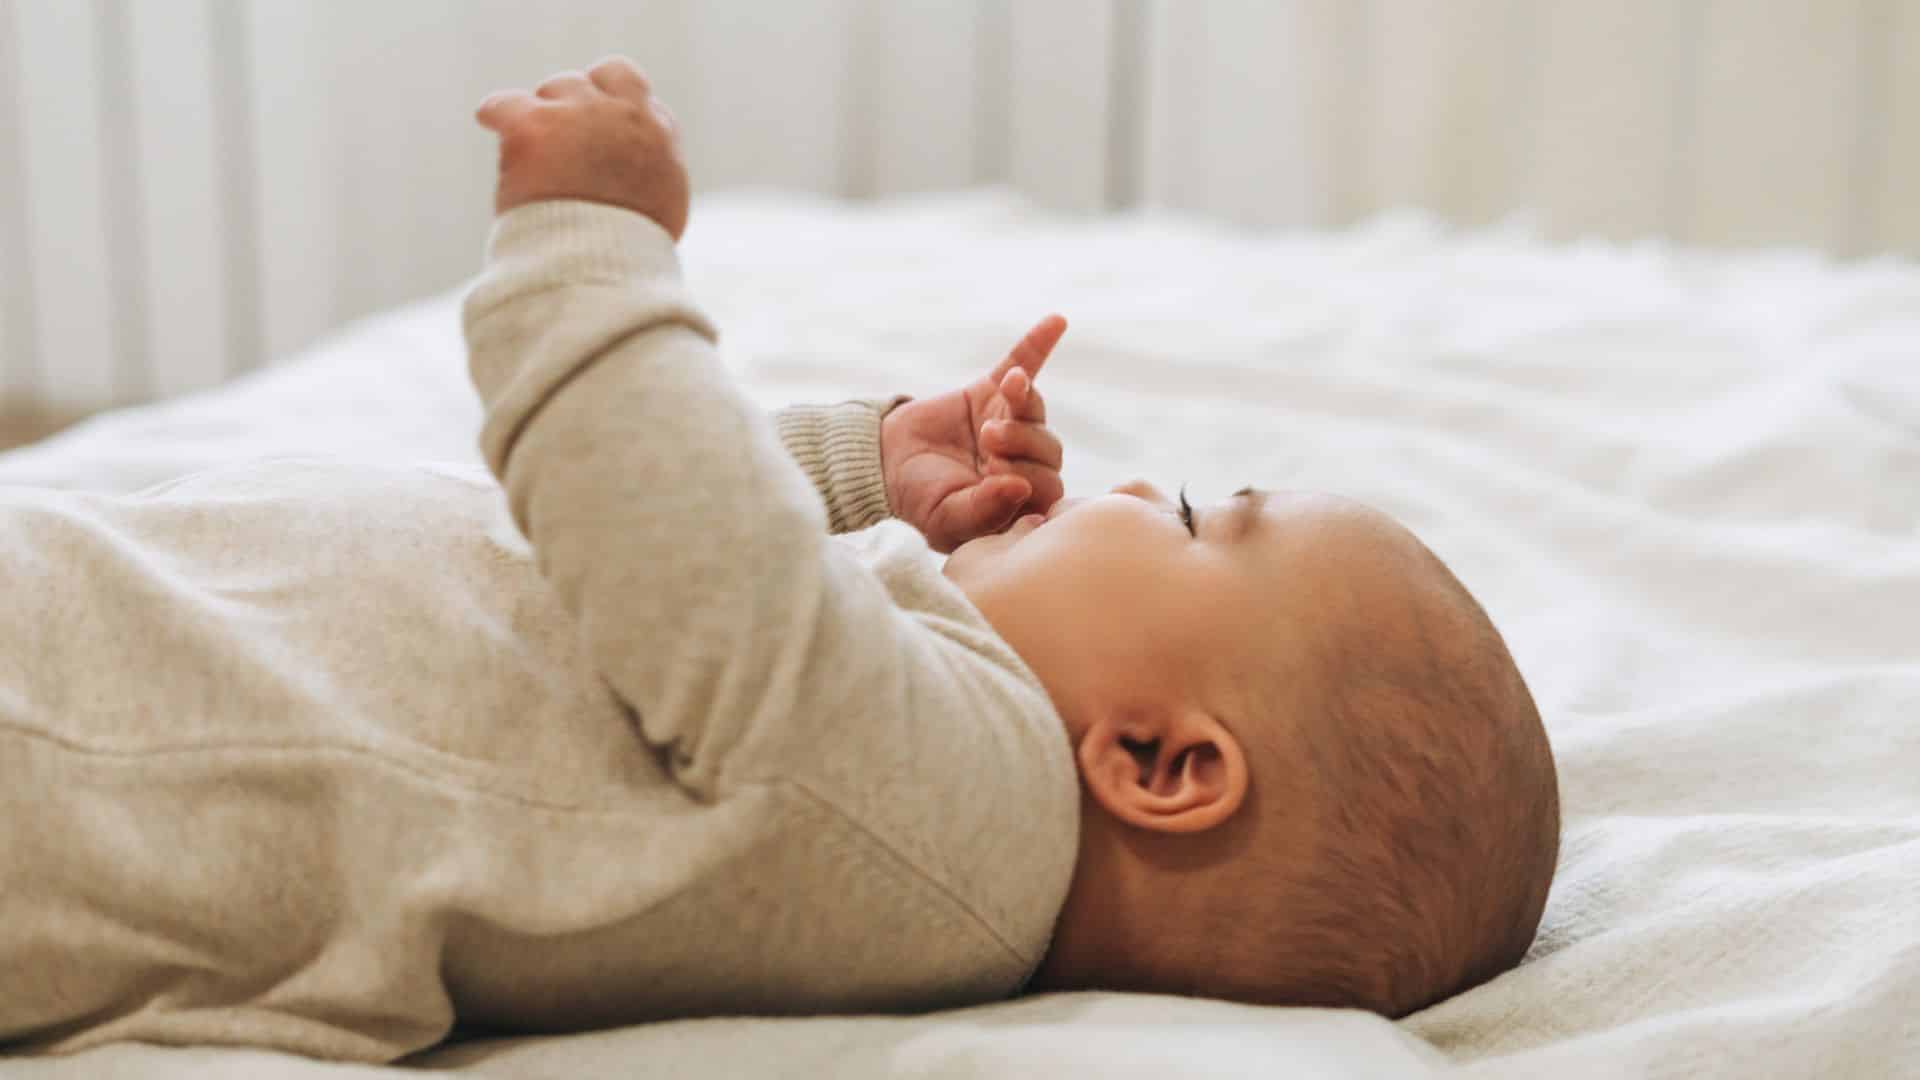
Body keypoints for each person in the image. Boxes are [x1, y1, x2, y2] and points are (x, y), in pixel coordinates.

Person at [0, 56, 1557, 1066]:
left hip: (77, 756)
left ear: (1157, 760)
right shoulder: (915, 783)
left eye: (1196, 522)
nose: (1138, 480)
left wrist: (590, 251)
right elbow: (732, 604)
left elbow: (684, 560)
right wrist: (866, 473)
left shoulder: (969, 828)